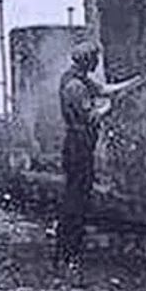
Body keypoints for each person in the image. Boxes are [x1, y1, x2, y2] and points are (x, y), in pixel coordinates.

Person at [55, 46, 104, 271]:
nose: (97, 62)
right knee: (76, 200)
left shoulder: (79, 78)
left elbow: (105, 90)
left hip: (79, 145)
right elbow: (91, 118)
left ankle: (69, 252)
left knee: (77, 197)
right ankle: (68, 253)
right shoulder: (75, 86)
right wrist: (110, 108)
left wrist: (135, 82)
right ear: (87, 60)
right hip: (78, 146)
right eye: (95, 59)